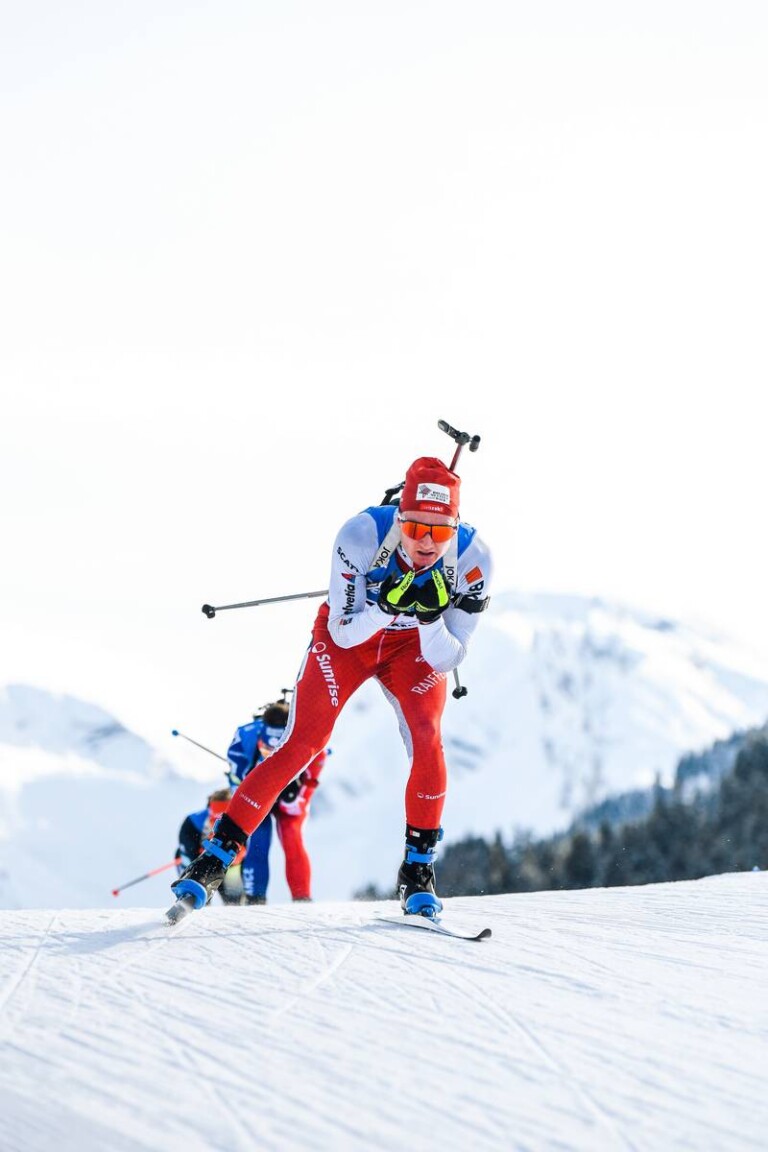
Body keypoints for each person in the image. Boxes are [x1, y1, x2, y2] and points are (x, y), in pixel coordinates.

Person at [173, 454, 492, 918]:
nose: (426, 541)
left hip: (414, 648)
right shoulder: (360, 536)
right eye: (415, 527)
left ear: (456, 527)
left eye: (440, 532)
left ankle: (418, 872)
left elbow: (449, 656)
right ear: (398, 518)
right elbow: (343, 633)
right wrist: (385, 607)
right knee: (303, 743)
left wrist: (426, 619)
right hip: (351, 638)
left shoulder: (475, 559)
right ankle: (214, 859)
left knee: (427, 737)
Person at [226, 700, 327, 903]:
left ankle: (302, 899)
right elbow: (236, 782)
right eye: (266, 749)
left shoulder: (309, 740)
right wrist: (253, 793)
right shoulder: (244, 739)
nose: (270, 755)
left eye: (277, 750)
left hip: (290, 793)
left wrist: (296, 798)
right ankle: (255, 899)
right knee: (258, 839)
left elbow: (311, 781)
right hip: (257, 791)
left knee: (292, 836)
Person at [176, 787, 244, 905]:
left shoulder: (240, 821)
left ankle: (235, 904)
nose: (216, 820)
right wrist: (205, 850)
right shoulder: (193, 821)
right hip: (197, 859)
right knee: (197, 883)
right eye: (214, 816)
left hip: (229, 864)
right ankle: (190, 900)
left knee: (234, 898)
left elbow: (244, 850)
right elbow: (188, 848)